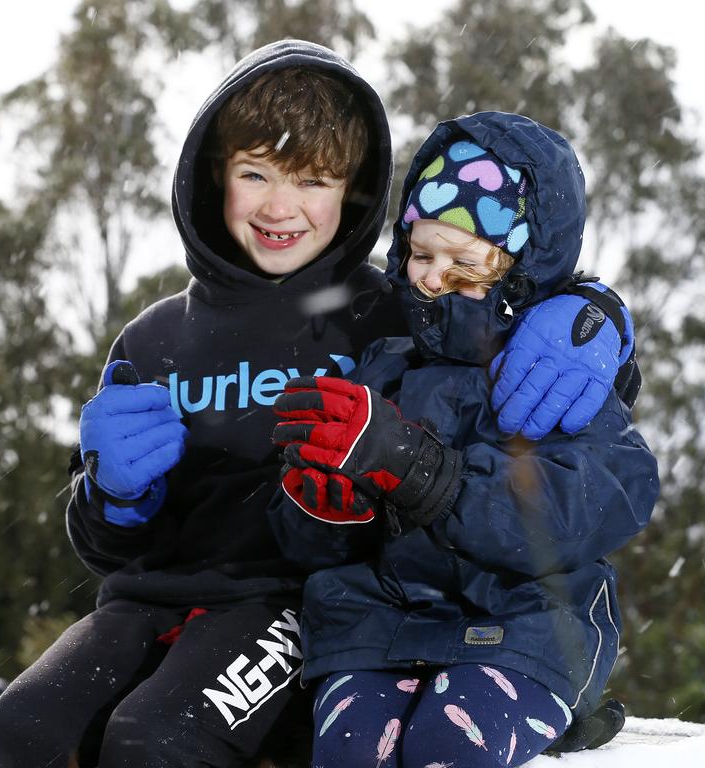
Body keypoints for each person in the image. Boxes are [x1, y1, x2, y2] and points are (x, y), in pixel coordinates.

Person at [0, 41, 635, 767]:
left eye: (313, 180)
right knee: (21, 728)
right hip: (143, 604)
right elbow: (105, 546)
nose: (279, 206)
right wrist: (112, 496)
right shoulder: (153, 336)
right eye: (254, 173)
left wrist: (595, 315)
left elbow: (519, 351)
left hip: (299, 599)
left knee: (154, 741)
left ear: (352, 192)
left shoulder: (389, 309)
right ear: (211, 177)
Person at [267, 112, 659, 768]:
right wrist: (324, 510)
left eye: (464, 262)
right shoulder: (383, 363)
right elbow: (311, 543)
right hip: (380, 627)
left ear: (519, 271)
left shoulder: (553, 371)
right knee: (351, 749)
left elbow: (602, 497)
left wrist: (430, 474)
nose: (429, 278)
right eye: (421, 253)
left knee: (445, 744)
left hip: (522, 630)